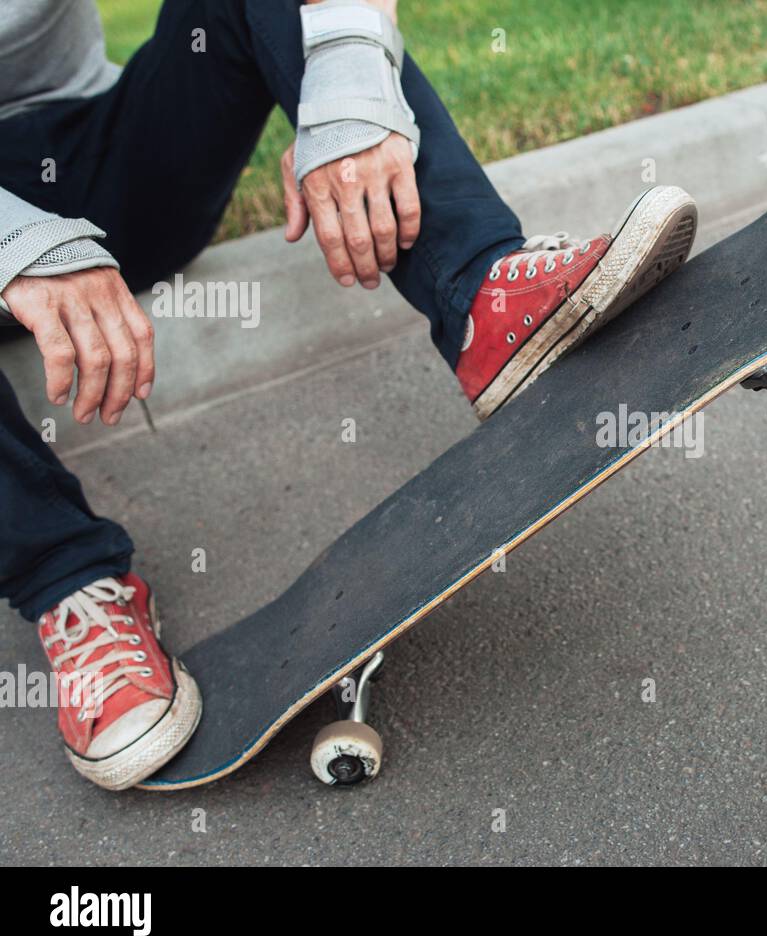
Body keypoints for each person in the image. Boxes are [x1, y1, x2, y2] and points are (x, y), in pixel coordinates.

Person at [0, 0, 697, 789]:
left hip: (99, 157)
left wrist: (344, 86)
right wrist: (19, 244)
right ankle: (68, 582)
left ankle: (484, 300)